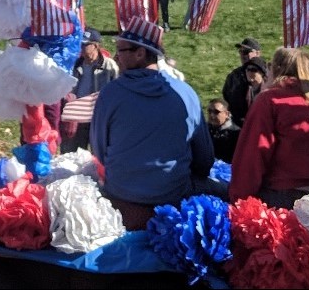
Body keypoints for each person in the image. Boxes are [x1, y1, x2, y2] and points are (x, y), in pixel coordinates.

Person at [89, 20, 214, 230]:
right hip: (173, 194)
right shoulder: (185, 93)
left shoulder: (110, 94)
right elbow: (204, 159)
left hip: (121, 194)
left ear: (140, 53)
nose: (116, 56)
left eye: (121, 50)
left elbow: (99, 152)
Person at [230, 47, 309, 209]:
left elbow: (252, 155)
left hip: (291, 193)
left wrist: (239, 204)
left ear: (276, 70)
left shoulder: (270, 100)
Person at [63, 33, 120, 152]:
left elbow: (117, 90)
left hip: (99, 117)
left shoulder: (109, 66)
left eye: (85, 45)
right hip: (77, 116)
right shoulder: (75, 65)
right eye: (80, 44)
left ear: (95, 46)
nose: (81, 48)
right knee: (71, 153)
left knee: (100, 154)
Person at [221, 37, 267, 126]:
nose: (242, 55)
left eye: (246, 52)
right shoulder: (234, 76)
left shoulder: (269, 74)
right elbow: (226, 99)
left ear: (258, 53)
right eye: (240, 52)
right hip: (239, 126)